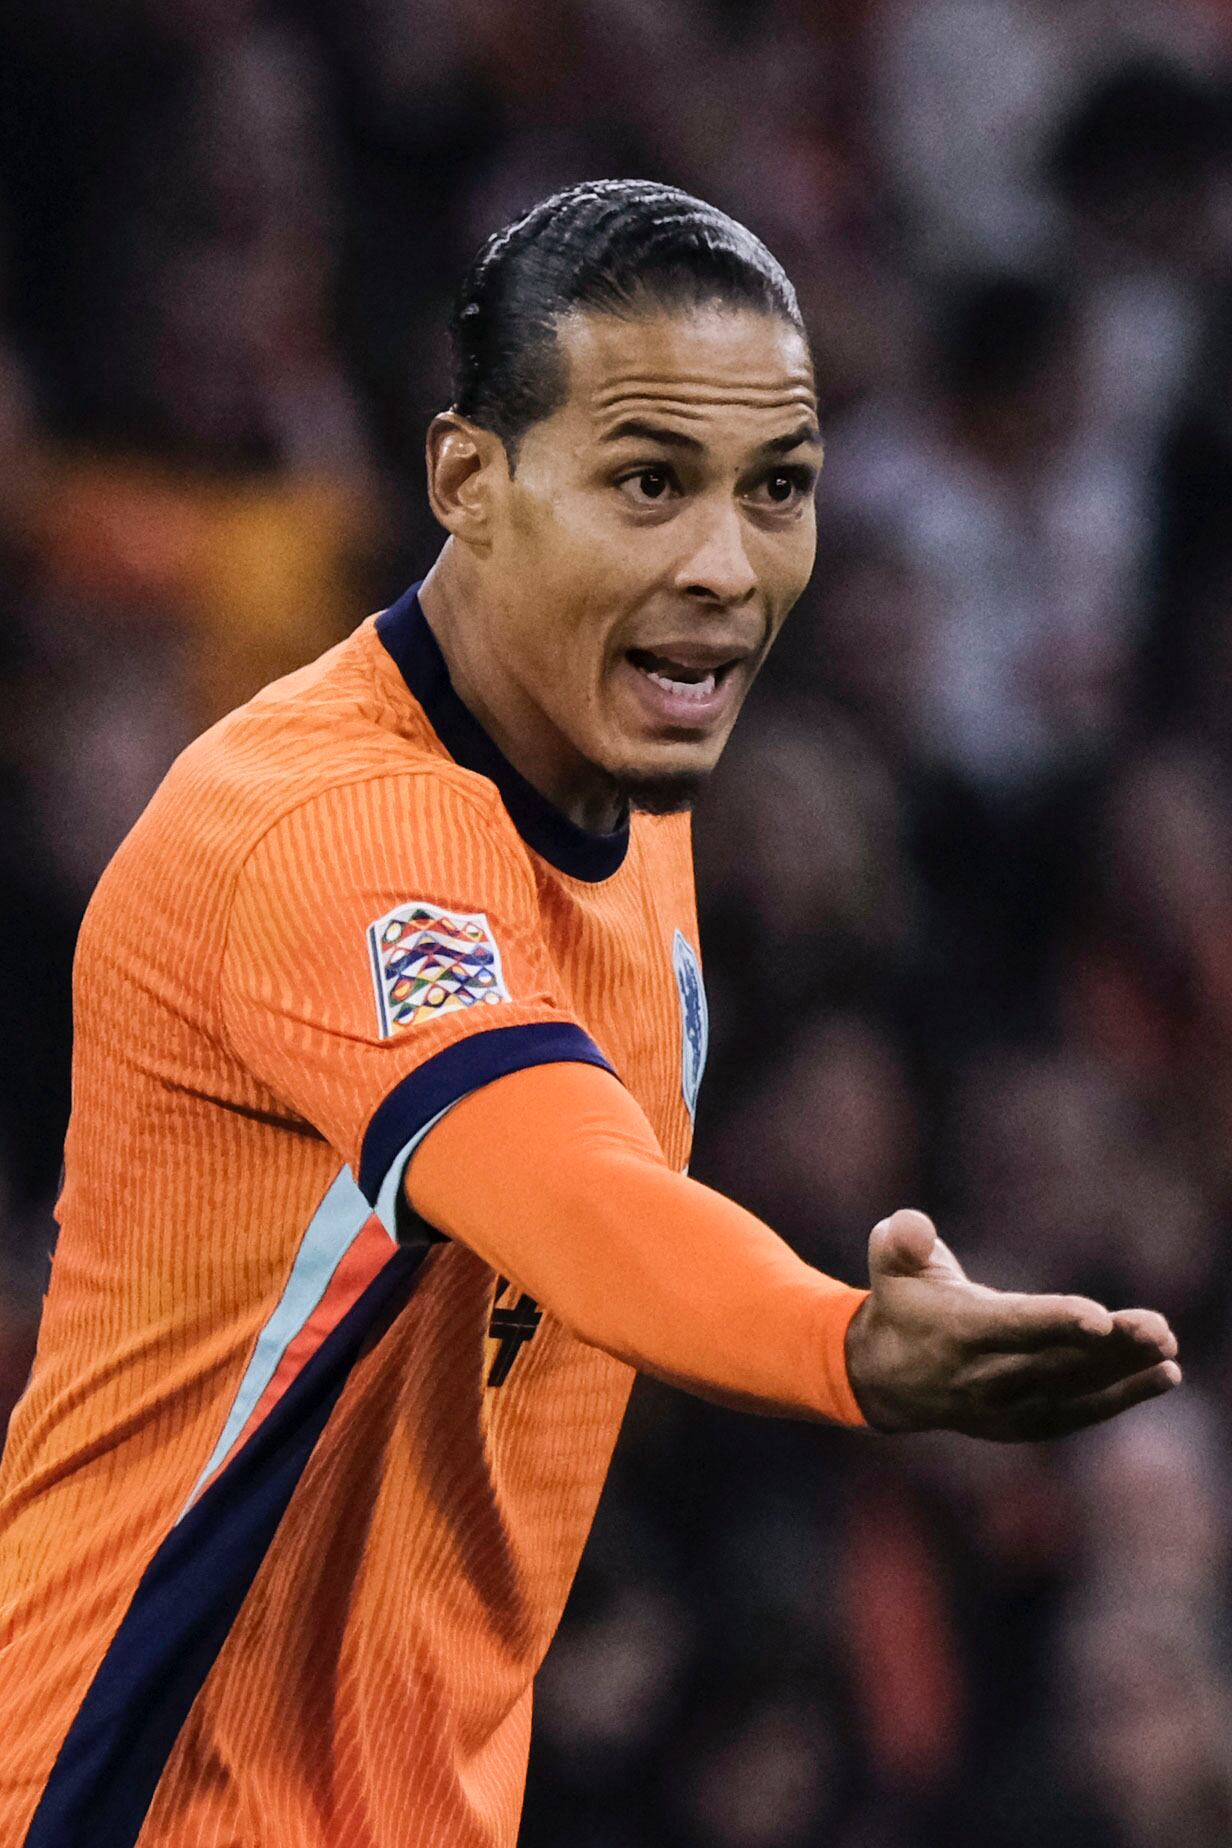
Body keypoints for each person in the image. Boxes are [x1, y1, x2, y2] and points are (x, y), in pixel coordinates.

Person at [0, 180, 1180, 1848]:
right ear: (466, 481)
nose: (725, 566)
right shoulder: (322, 829)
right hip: (144, 1800)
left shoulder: (629, 792)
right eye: (648, 483)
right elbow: (572, 1197)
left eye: (777, 489)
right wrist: (841, 1345)